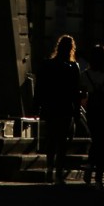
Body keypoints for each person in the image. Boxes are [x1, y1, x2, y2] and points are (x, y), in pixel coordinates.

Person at [36, 34, 83, 184]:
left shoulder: (47, 64)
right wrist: (77, 111)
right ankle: (58, 172)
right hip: (66, 107)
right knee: (62, 142)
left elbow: (40, 87)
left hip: (51, 106)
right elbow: (76, 91)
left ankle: (50, 168)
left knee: (51, 139)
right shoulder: (73, 67)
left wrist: (37, 106)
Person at [80, 44, 104, 187]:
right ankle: (98, 176)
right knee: (103, 143)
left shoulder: (85, 75)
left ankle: (90, 165)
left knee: (95, 139)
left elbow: (83, 93)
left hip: (92, 109)